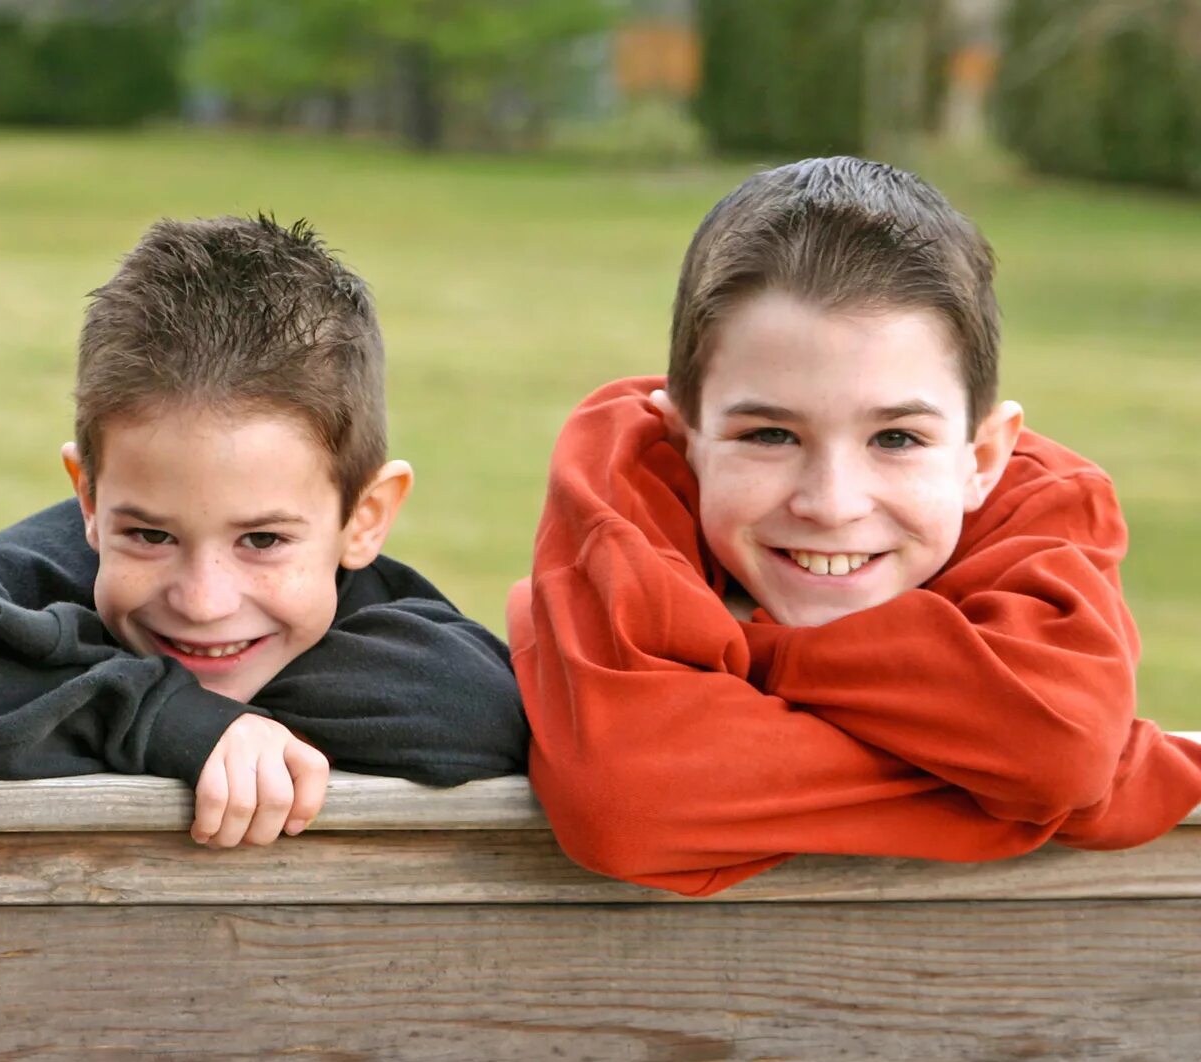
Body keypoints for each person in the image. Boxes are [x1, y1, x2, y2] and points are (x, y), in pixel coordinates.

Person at [511, 157, 1201, 896]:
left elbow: (1057, 745)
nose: (833, 503)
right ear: (684, 442)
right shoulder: (623, 472)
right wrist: (1018, 788)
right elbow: (629, 800)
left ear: (985, 456)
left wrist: (757, 654)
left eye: (896, 438)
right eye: (770, 435)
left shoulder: (1049, 508)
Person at [0, 214, 528, 848]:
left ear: (365, 517)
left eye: (262, 540)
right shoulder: (47, 568)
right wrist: (167, 719)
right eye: (150, 536)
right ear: (89, 500)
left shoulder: (390, 628)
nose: (202, 601)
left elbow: (473, 709)